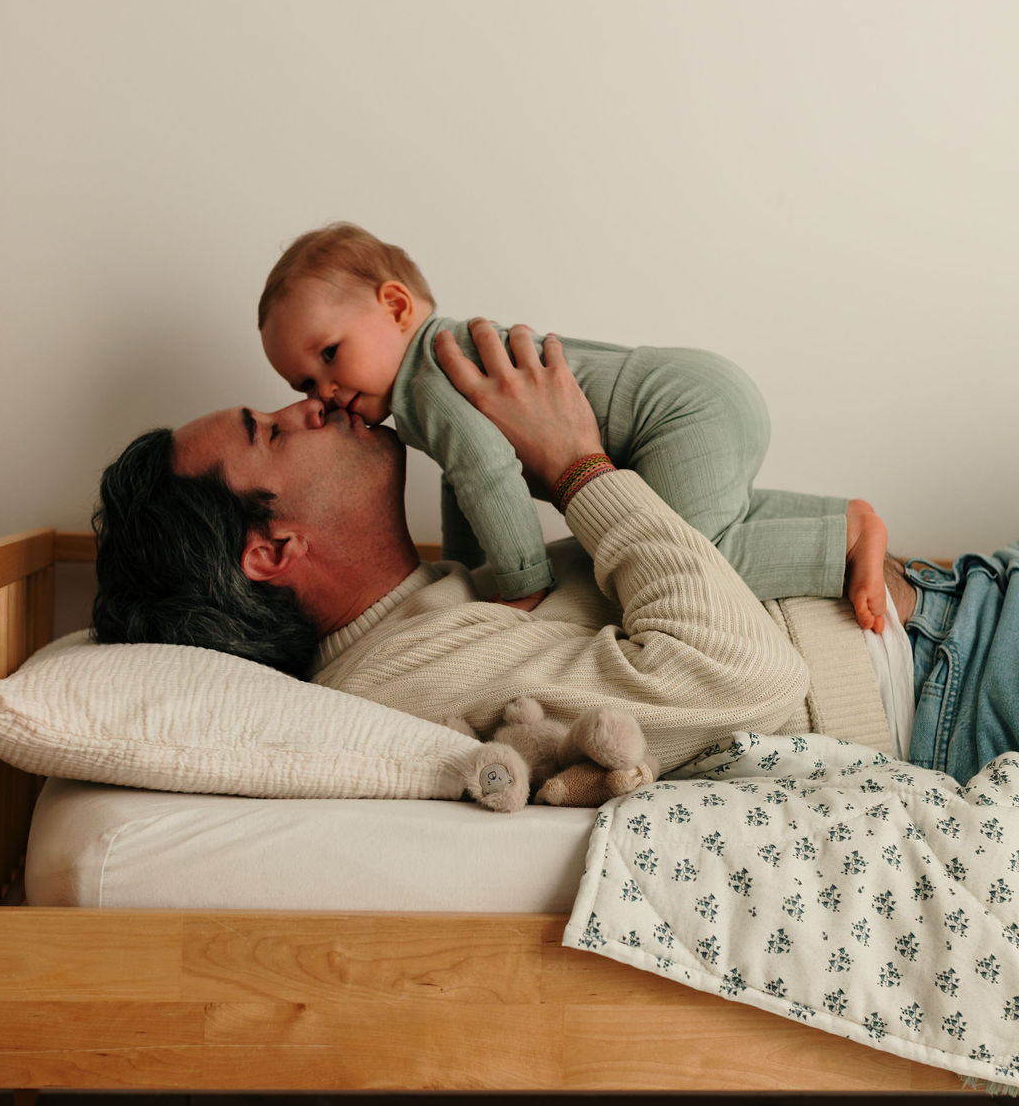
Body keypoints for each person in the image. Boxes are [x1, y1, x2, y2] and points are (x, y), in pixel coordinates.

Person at [94, 322, 910, 784]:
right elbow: (743, 673)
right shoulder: (397, 676)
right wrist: (576, 467)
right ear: (271, 551)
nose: (307, 404)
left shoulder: (442, 592)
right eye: (267, 432)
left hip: (940, 613)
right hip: (939, 671)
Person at [257, 223, 888, 628]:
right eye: (304, 384)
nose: (325, 391)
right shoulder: (428, 378)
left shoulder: (430, 375)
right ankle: (841, 516)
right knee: (711, 520)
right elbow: (464, 482)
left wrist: (521, 586)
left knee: (693, 566)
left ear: (395, 307)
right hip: (695, 394)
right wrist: (463, 573)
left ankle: (841, 546)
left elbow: (487, 472)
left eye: (330, 355)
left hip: (679, 411)